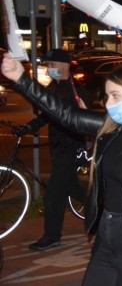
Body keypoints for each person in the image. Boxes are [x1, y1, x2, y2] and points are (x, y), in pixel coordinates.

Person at [2, 56, 122, 286]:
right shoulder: (110, 129)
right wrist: (22, 80)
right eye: (107, 95)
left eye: (116, 96)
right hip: (106, 240)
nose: (109, 103)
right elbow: (66, 115)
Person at [20, 49, 91, 251]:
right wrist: (30, 126)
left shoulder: (77, 91)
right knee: (72, 188)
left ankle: (52, 237)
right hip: (57, 148)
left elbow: (85, 119)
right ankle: (103, 210)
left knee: (53, 194)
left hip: (71, 149)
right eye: (48, 65)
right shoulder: (52, 88)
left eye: (53, 64)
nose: (50, 68)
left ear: (66, 65)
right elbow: (47, 114)